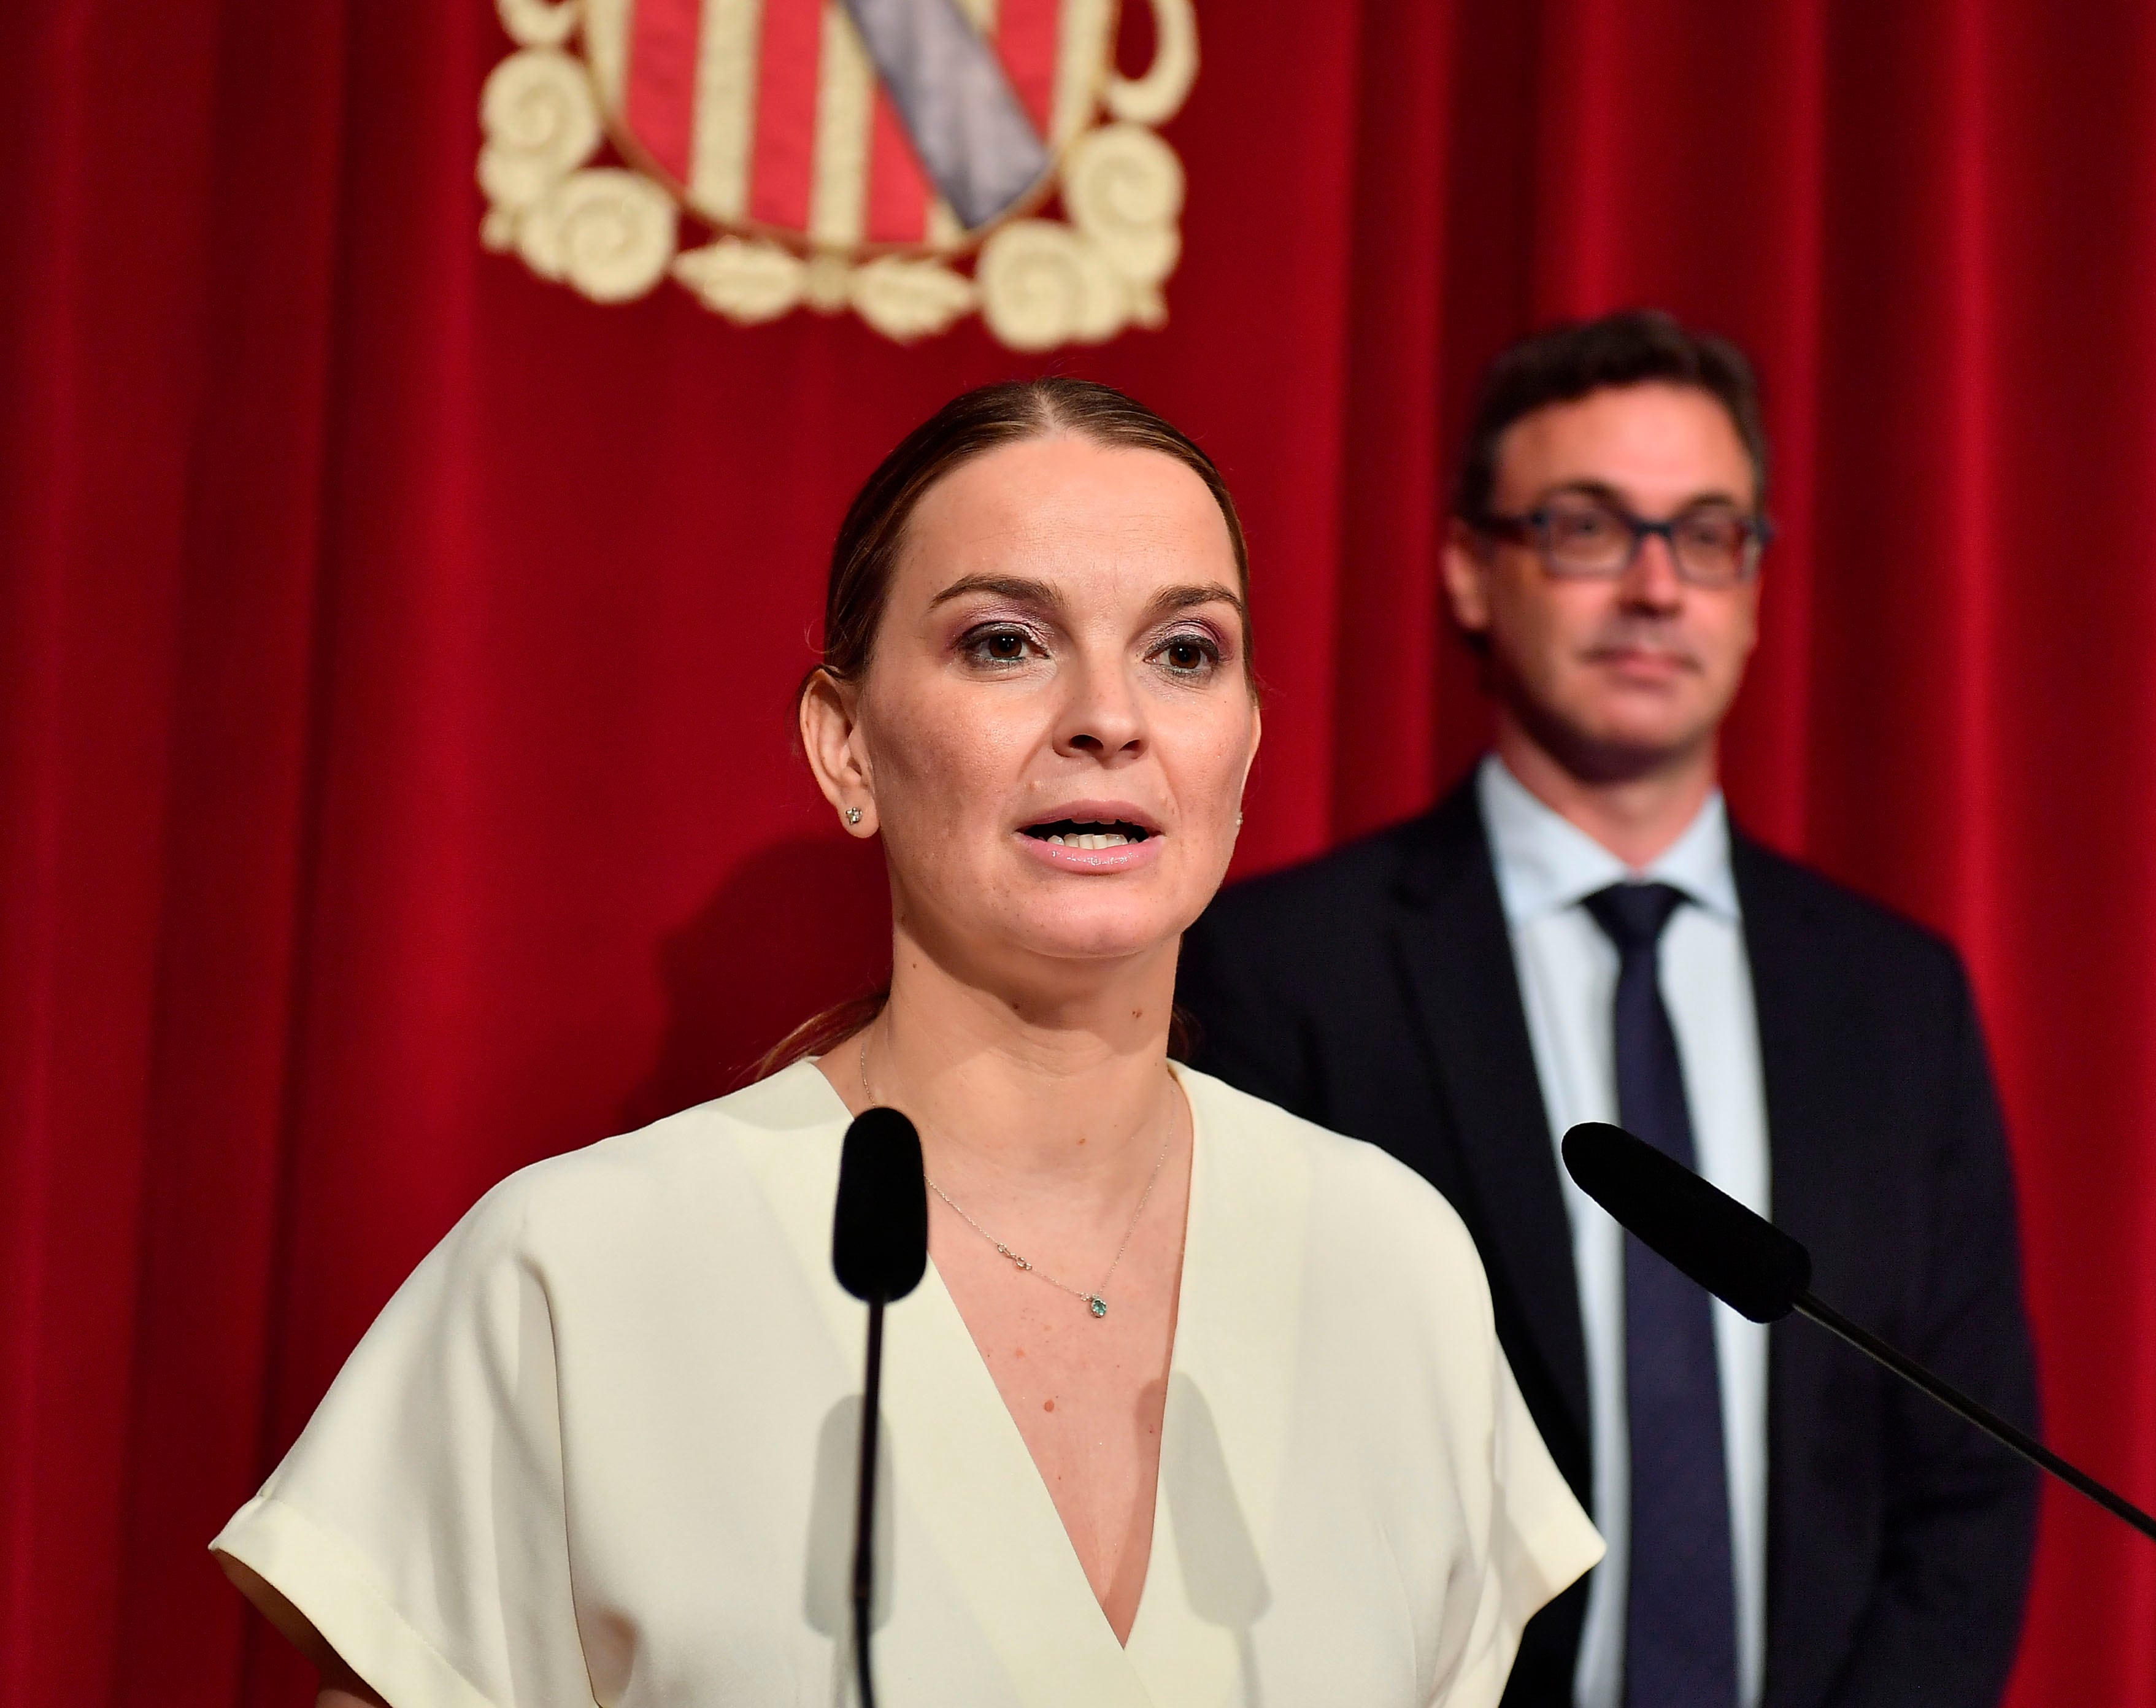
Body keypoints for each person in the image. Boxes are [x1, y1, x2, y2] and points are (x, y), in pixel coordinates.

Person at [212, 379, 1601, 1708]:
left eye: (1185, 652)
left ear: (1245, 745)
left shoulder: (1392, 1262)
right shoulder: (577, 1271)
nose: (1109, 722)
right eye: (1006, 641)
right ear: (847, 747)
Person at [1177, 313, 2042, 1708]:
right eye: (1588, 529)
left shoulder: (1893, 998)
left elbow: (1968, 1479)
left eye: (1707, 537)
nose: (1656, 589)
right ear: (1472, 569)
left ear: (1755, 587)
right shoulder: (1285, 969)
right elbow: (1240, 1470)